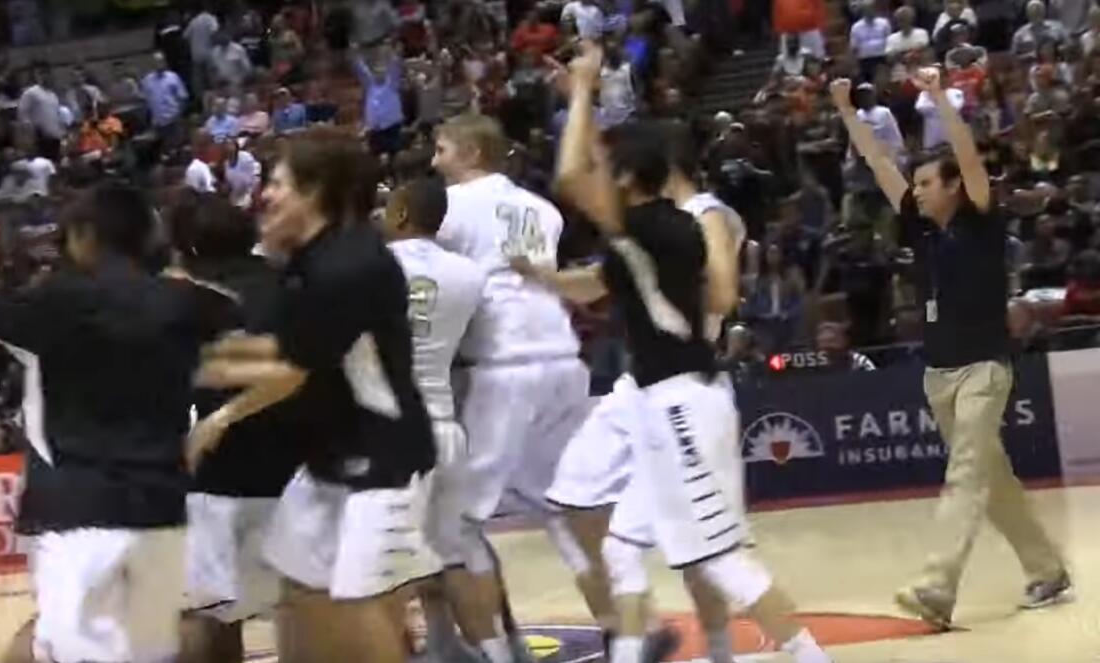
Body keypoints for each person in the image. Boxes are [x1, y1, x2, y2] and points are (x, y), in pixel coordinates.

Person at [552, 44, 831, 663]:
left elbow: (573, 172)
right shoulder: (666, 228)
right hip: (663, 397)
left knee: (723, 559)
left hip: (683, 397)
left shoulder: (665, 224)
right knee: (623, 547)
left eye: (615, 168)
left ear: (633, 178)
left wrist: (581, 88)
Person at [0, 181, 232, 663]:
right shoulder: (186, 302)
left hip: (78, 510)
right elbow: (240, 309)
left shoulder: (53, 301)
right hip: (161, 507)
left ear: (83, 235)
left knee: (64, 653)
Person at [832, 69, 1071, 628]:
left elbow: (967, 158)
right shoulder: (921, 229)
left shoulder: (981, 220)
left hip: (984, 369)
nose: (915, 190)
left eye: (926, 183)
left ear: (954, 186)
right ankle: (1047, 570)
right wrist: (846, 110)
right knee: (994, 484)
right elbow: (878, 164)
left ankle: (937, 588)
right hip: (938, 375)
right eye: (915, 185)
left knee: (965, 475)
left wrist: (938, 97)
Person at [192, 129, 440, 663]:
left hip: (384, 463)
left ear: (315, 190)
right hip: (331, 464)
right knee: (301, 591)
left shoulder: (348, 267)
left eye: (277, 183)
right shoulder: (311, 261)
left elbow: (290, 367)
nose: (266, 195)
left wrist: (217, 416)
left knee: (359, 603)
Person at [430, 113, 592, 663]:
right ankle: (626, 631)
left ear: (472, 153)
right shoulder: (543, 209)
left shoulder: (450, 207)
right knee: (566, 507)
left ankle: (495, 653)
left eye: (442, 149)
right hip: (563, 356)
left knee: (454, 524)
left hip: (502, 361)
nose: (435, 161)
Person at [167, 194, 303, 663]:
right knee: (301, 607)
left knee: (204, 613)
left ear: (187, 247)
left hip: (215, 473)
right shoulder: (293, 286)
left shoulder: (188, 301)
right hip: (298, 470)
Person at [380, 178, 488, 662]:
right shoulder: (469, 274)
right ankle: (478, 649)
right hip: (444, 425)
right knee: (453, 557)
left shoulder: (374, 268)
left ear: (401, 214)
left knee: (382, 566)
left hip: (393, 432)